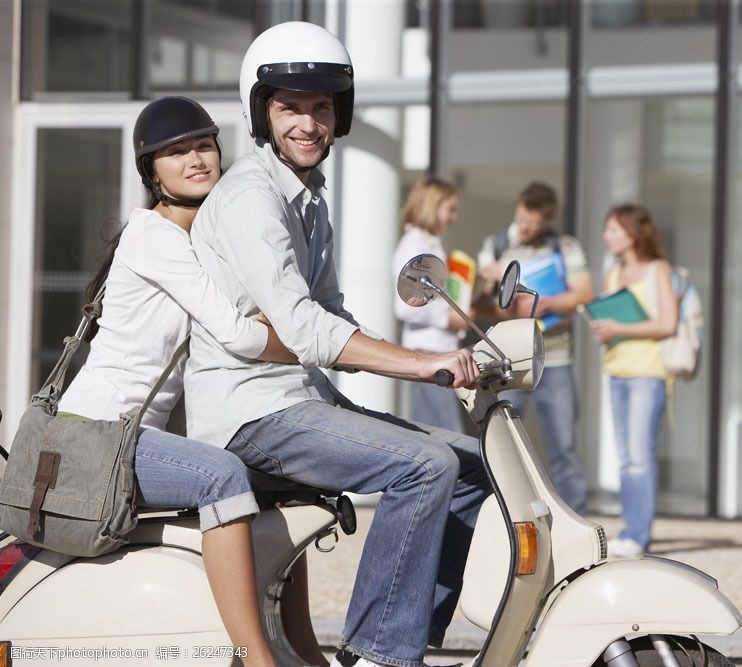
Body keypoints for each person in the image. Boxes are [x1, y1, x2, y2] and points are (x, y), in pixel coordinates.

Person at [183, 22, 491, 667]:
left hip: (300, 400)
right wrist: (423, 363)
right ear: (262, 112)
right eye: (290, 106)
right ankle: (379, 654)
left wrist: (460, 354)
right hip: (252, 412)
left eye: (322, 107)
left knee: (471, 462)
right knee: (424, 465)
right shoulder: (250, 199)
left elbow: (331, 313)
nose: (309, 123)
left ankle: (412, 633)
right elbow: (304, 326)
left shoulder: (309, 200)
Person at [58, 97, 295, 667]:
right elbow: (239, 335)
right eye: (175, 151)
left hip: (129, 435)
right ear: (151, 173)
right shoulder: (155, 237)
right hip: (98, 432)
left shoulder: (198, 241)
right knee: (222, 476)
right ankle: (255, 658)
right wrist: (311, 343)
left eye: (204, 145)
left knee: (279, 483)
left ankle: (300, 653)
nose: (195, 159)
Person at [476, 181, 592, 515]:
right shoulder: (496, 245)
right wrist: (493, 290)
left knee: (564, 446)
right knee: (501, 443)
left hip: (555, 358)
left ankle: (575, 519)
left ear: (547, 219)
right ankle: (499, 516)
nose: (524, 229)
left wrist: (545, 303)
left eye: (532, 225)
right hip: (510, 362)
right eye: (521, 220)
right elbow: (480, 306)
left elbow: (583, 294)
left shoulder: (564, 246)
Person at [587, 204, 678, 559]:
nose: (606, 236)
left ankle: (638, 535)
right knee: (626, 458)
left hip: (647, 373)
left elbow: (667, 324)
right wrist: (606, 332)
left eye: (612, 229)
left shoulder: (658, 270)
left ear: (632, 232)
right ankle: (630, 530)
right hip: (617, 370)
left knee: (640, 457)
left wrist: (621, 327)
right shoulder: (613, 275)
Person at [391, 176, 469, 433]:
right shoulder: (414, 246)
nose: (454, 216)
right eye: (450, 209)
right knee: (447, 436)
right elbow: (405, 305)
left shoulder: (430, 244)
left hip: (439, 352)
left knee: (445, 435)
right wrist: (448, 318)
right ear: (432, 206)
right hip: (428, 355)